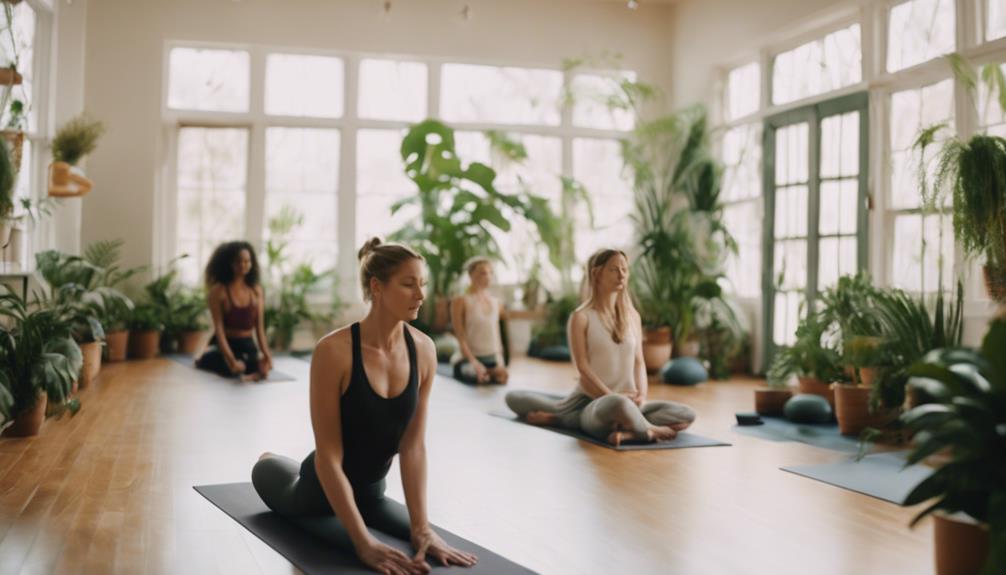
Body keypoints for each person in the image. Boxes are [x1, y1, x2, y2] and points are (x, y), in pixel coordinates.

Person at [251, 238, 478, 575]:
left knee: (428, 539)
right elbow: (329, 457)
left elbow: (413, 447)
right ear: (377, 287)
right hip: (315, 494)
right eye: (408, 284)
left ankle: (282, 463)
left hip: (373, 494)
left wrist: (422, 528)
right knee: (267, 475)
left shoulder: (424, 350)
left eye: (422, 284)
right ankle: (269, 460)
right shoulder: (334, 351)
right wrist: (361, 540)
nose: (421, 295)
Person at [504, 249, 696, 446]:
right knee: (514, 398)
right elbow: (583, 368)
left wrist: (642, 396)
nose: (622, 275)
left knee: (685, 414)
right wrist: (611, 396)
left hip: (629, 404)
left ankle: (629, 431)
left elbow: (639, 361)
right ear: (597, 274)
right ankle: (645, 429)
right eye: (614, 270)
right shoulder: (581, 317)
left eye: (624, 269)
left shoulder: (633, 316)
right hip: (595, 404)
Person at [196, 241, 273, 382]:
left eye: (247, 261)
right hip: (225, 344)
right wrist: (231, 360)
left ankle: (245, 372)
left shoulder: (256, 290)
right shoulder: (218, 291)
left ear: (251, 263)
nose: (243, 265)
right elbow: (219, 330)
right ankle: (240, 371)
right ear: (229, 263)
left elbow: (260, 328)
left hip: (248, 344)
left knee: (259, 367)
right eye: (239, 261)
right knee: (230, 366)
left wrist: (267, 355)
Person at [450, 257, 508, 385]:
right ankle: (482, 372)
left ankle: (488, 372)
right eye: (483, 273)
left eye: (490, 272)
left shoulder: (495, 302)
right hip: (469, 358)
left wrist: (500, 360)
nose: (488, 276)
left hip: (491, 357)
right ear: (471, 275)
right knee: (475, 376)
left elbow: (496, 334)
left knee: (503, 376)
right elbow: (461, 338)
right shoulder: (460, 301)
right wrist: (474, 362)